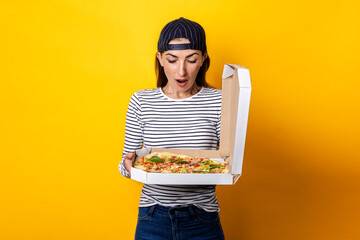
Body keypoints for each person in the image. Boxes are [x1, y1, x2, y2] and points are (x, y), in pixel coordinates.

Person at [119, 17, 225, 240]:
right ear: (160, 59)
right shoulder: (141, 101)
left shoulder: (220, 101)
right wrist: (129, 165)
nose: (182, 71)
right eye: (172, 59)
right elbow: (125, 164)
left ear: (203, 59)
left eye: (191, 59)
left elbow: (225, 162)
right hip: (153, 216)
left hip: (202, 217)